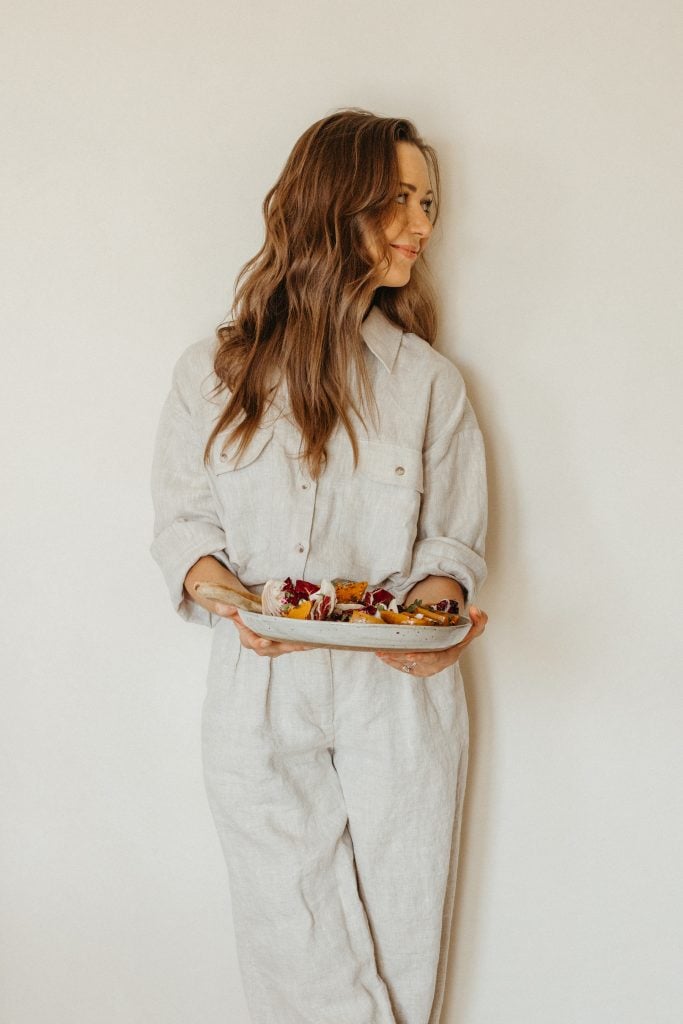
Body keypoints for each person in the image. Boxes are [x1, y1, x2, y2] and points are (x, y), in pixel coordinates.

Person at [150, 108, 489, 1024]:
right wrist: (224, 596)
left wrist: (436, 615)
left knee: (402, 939)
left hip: (395, 692)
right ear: (332, 205)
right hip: (256, 689)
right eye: (397, 202)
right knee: (287, 936)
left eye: (429, 202)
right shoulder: (212, 374)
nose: (421, 225)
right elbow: (183, 530)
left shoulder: (429, 384)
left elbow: (449, 549)